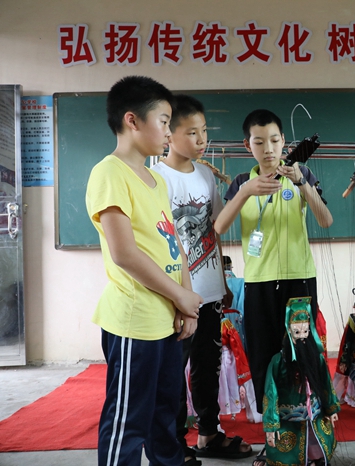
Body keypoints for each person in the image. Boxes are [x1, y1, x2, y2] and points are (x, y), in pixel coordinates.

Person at [85, 76, 203, 466]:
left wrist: (185, 301)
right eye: (164, 121)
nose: (169, 132)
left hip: (166, 319)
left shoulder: (155, 179)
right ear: (132, 120)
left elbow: (174, 243)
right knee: (128, 421)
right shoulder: (109, 173)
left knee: (166, 418)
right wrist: (180, 295)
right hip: (135, 321)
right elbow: (124, 254)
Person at [214, 109, 332, 466]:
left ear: (284, 142)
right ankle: (275, 445)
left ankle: (311, 444)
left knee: (303, 358)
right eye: (259, 141)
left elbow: (325, 220)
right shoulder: (241, 182)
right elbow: (219, 227)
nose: (268, 148)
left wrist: (302, 184)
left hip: (299, 280)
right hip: (259, 283)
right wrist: (245, 192)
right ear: (247, 145)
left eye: (275, 140)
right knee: (266, 362)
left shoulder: (302, 174)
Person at [151, 94, 252, 464]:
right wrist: (181, 295)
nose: (202, 139)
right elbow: (162, 241)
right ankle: (174, 444)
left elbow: (215, 229)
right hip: (179, 294)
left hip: (209, 290)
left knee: (208, 364)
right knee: (173, 372)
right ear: (169, 133)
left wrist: (223, 282)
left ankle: (208, 433)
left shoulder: (206, 175)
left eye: (204, 131)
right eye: (192, 132)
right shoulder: (157, 178)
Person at [263, 297, 340, 466]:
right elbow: (270, 393)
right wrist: (271, 425)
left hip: (314, 415)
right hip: (288, 418)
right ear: (289, 331)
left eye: (305, 332)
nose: (302, 337)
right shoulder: (278, 361)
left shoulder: (316, 358)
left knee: (318, 443)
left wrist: (331, 408)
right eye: (297, 333)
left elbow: (326, 383)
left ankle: (314, 459)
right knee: (287, 452)